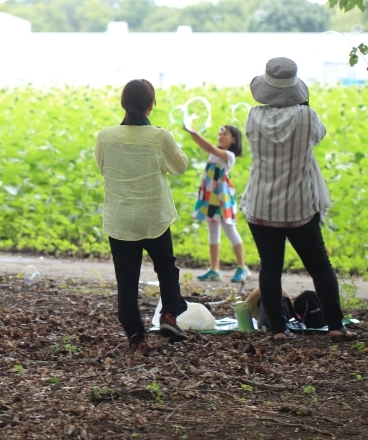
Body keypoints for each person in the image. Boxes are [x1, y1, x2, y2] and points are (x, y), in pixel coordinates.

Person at [241, 57, 359, 344]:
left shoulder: (253, 116)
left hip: (260, 205)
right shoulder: (307, 116)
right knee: (320, 266)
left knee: (270, 267)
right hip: (298, 208)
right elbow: (319, 136)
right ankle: (335, 326)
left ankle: (279, 330)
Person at [95, 79, 190, 353]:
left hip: (120, 219)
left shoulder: (106, 136)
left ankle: (135, 335)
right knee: (166, 270)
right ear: (151, 105)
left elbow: (103, 167)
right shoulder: (159, 137)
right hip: (153, 217)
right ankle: (169, 314)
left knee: (127, 280)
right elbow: (180, 167)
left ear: (124, 104)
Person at [184, 124, 250, 282]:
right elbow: (205, 146)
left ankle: (242, 267)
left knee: (230, 230)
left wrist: (193, 131)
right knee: (213, 231)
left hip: (222, 197)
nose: (220, 137)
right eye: (219, 134)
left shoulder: (228, 155)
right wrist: (192, 132)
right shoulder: (215, 154)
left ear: (234, 139)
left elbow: (208, 147)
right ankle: (214, 270)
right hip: (211, 196)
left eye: (224, 134)